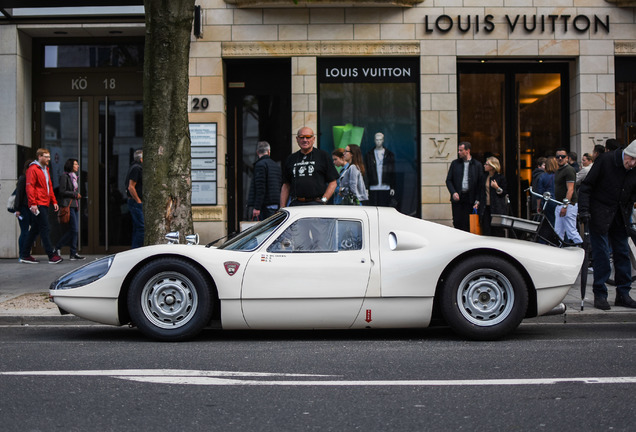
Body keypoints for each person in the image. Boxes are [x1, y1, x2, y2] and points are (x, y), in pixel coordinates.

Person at [579, 139, 636, 310]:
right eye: (631, 158)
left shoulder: (634, 169)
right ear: (626, 152)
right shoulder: (606, 160)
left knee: (622, 254)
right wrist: (584, 210)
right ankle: (600, 294)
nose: (632, 163)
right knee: (602, 255)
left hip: (620, 217)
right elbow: (586, 186)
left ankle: (623, 294)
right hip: (599, 215)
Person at [280, 127, 338, 207]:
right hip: (296, 204)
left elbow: (333, 182)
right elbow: (286, 185)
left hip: (316, 204)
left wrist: (323, 201)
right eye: (301, 137)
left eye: (308, 137)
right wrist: (282, 207)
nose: (305, 140)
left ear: (313, 139)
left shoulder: (323, 156)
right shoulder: (291, 158)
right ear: (297, 139)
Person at [24, 148, 63, 264]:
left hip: (44, 203)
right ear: (39, 156)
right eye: (46, 157)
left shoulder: (45, 169)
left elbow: (49, 187)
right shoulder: (33, 169)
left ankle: (24, 254)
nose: (49, 159)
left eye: (49, 157)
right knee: (45, 228)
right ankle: (51, 255)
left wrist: (54, 201)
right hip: (38, 204)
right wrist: (33, 203)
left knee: (35, 230)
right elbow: (29, 187)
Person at [445, 141, 483, 232]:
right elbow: (448, 180)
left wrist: (477, 200)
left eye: (461, 150)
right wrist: (453, 192)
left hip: (470, 198)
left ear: (467, 151)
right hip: (458, 197)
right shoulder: (455, 164)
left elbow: (480, 184)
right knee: (457, 221)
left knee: (468, 223)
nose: (459, 152)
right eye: (458, 150)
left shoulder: (477, 165)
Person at [54, 158, 85, 260]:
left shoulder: (74, 177)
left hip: (75, 205)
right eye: (76, 164)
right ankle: (59, 247)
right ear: (71, 165)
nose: (78, 166)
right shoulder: (65, 176)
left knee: (74, 230)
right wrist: (75, 194)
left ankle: (73, 253)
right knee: (74, 230)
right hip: (68, 206)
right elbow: (62, 191)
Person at [247, 141, 282, 221]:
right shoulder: (276, 166)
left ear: (257, 152)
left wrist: (257, 207)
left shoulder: (260, 165)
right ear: (269, 151)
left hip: (265, 206)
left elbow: (260, 188)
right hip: (275, 205)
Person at [553, 148, 582, 244]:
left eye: (563, 156)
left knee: (571, 232)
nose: (560, 158)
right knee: (558, 232)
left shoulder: (569, 170)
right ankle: (560, 251)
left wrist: (565, 206)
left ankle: (582, 251)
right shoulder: (559, 170)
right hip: (560, 203)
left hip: (568, 205)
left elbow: (570, 189)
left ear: (567, 158)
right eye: (558, 157)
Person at [364, 132, 396, 207]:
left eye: (380, 140)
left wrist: (392, 187)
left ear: (383, 140)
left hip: (385, 186)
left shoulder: (389, 154)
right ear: (374, 140)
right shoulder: (369, 155)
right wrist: (366, 187)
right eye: (377, 140)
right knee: (374, 207)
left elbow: (392, 172)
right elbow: (366, 172)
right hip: (373, 186)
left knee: (384, 207)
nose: (378, 142)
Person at [479, 156, 507, 236]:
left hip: (496, 208)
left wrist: (497, 187)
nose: (484, 165)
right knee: (486, 229)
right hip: (485, 207)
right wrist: (478, 202)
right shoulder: (484, 177)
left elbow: (503, 193)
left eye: (487, 164)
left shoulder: (500, 178)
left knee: (497, 230)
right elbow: (481, 191)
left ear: (492, 166)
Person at [15, 159, 35, 263]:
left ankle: (25, 253)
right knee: (24, 231)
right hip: (23, 208)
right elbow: (19, 195)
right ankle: (22, 254)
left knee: (32, 230)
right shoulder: (23, 179)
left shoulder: (31, 179)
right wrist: (17, 209)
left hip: (30, 208)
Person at [125, 149, 144, 248]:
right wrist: (138, 201)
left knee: (137, 228)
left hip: (134, 201)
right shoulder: (137, 168)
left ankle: (135, 249)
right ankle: (137, 250)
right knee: (141, 227)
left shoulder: (133, 167)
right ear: (141, 159)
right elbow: (131, 187)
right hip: (135, 202)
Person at [536, 156, 558, 228]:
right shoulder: (560, 175)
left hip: (548, 202)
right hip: (559, 202)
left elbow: (539, 193)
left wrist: (538, 206)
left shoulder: (543, 177)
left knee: (549, 223)